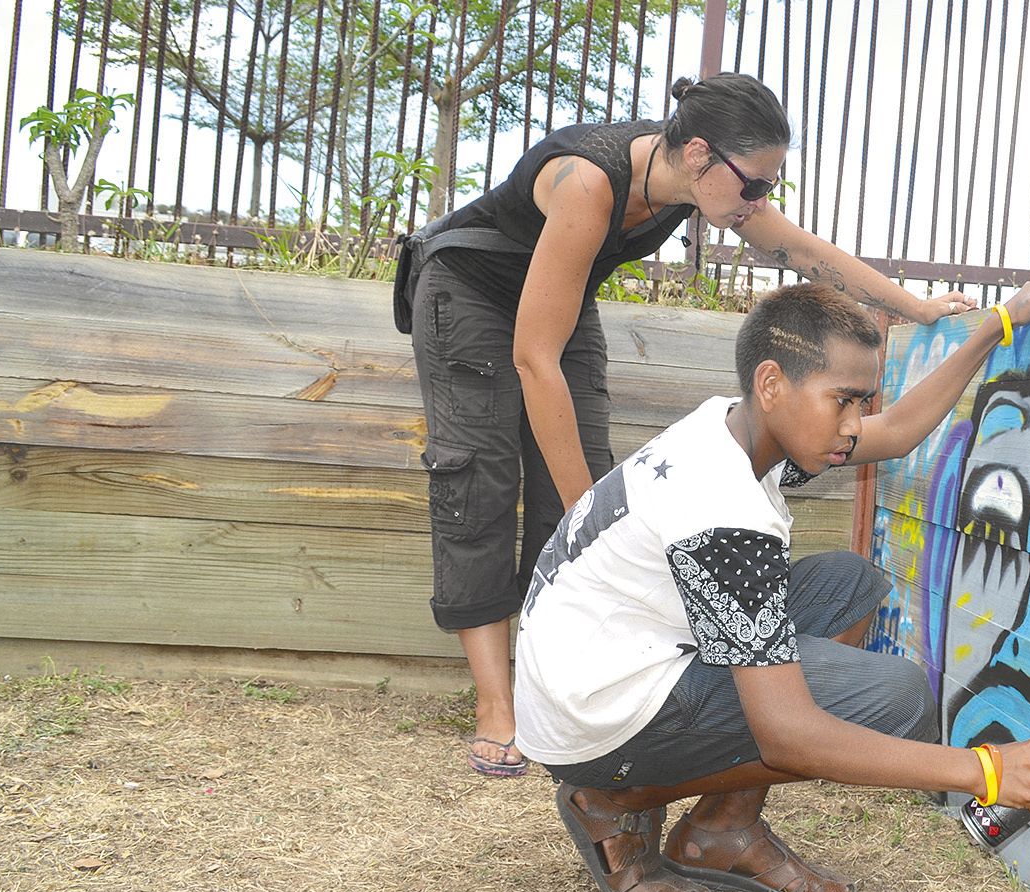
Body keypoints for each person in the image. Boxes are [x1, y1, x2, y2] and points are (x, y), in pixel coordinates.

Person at [402, 73, 978, 776]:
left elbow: (801, 251)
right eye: (755, 186)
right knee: (481, 481)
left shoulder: (698, 181)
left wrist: (915, 309)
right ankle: (499, 703)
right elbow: (533, 358)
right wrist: (594, 527)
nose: (759, 201)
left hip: (559, 289)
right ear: (701, 154)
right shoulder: (590, 182)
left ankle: (580, 671)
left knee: (580, 466)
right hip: (468, 287)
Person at [511, 276, 1030, 892]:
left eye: (861, 402)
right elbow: (788, 734)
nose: (854, 424)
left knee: (850, 585)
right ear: (772, 383)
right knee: (893, 697)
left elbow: (895, 431)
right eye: (843, 401)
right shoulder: (721, 505)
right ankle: (615, 799)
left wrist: (994, 326)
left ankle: (720, 827)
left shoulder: (732, 428)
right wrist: (987, 771)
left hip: (602, 657)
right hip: (596, 714)